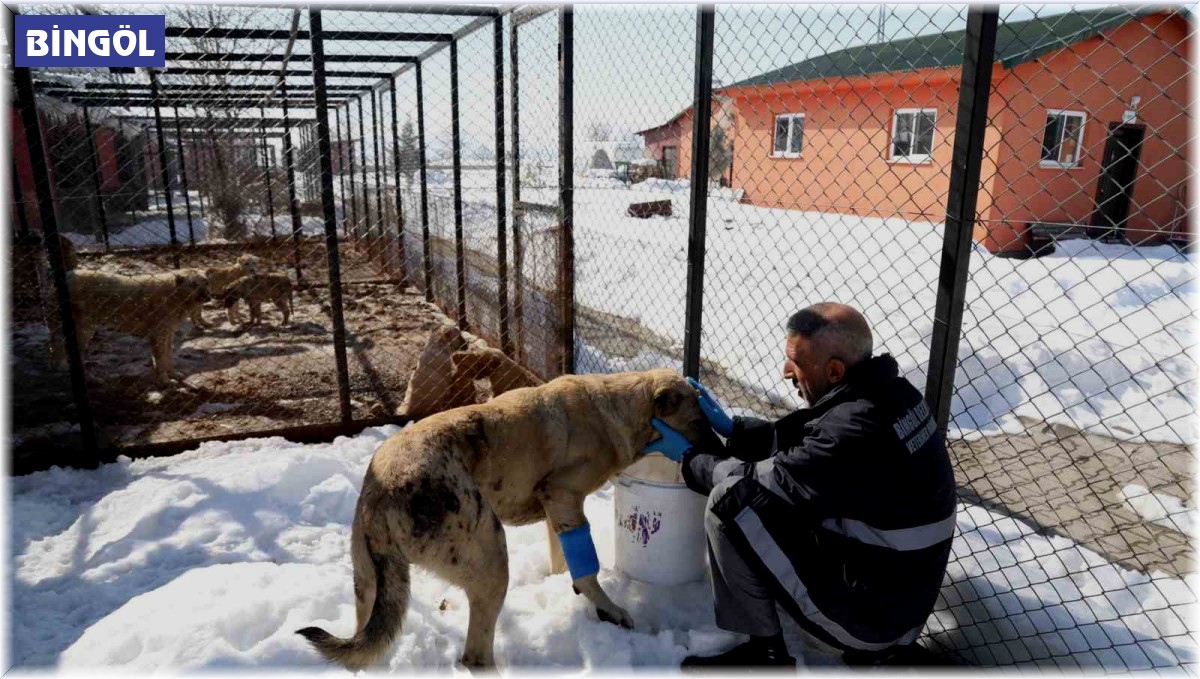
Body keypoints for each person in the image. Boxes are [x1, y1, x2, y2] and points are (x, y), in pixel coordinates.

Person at [642, 303, 956, 668]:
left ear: (834, 370)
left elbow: (755, 479)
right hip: (897, 598)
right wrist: (734, 430)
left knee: (731, 502)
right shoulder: (891, 395)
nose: (785, 372)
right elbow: (808, 446)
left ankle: (765, 656)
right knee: (771, 497)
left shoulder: (852, 432)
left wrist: (689, 458)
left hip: (872, 622)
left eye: (795, 362)